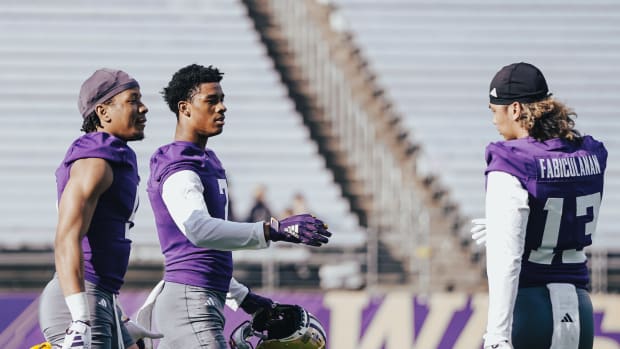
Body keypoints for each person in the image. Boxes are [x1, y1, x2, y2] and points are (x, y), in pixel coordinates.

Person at [145, 63, 331, 348]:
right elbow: (199, 230)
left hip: (199, 297)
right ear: (185, 108)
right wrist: (274, 230)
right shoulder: (181, 165)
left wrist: (241, 296)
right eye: (211, 100)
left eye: (222, 99)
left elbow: (206, 251)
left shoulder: (207, 160)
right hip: (190, 302)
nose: (222, 108)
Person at [471, 62, 606, 349]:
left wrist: (497, 335)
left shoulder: (511, 161)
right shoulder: (590, 153)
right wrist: (504, 226)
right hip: (580, 310)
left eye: (495, 111)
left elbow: (506, 260)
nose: (495, 121)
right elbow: (558, 208)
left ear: (516, 109)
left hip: (529, 310)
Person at [37, 68, 161, 349]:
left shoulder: (113, 155)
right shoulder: (94, 161)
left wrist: (119, 318)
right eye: (133, 100)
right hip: (80, 302)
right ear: (104, 111)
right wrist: (80, 318)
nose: (144, 108)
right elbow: (67, 237)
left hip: (101, 297)